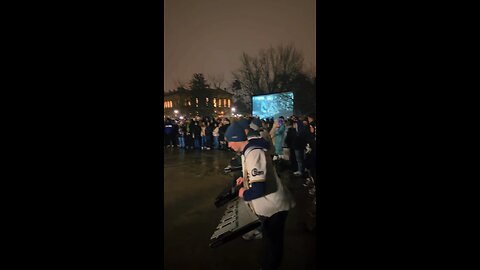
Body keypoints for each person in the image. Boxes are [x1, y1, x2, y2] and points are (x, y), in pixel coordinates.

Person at [225, 122, 295, 270]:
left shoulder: (253, 153)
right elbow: (258, 174)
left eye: (229, 141)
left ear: (236, 139)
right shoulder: (248, 150)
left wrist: (244, 193)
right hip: (269, 207)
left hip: (274, 207)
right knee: (269, 241)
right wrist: (245, 178)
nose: (229, 145)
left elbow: (257, 190)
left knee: (273, 244)